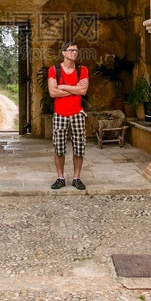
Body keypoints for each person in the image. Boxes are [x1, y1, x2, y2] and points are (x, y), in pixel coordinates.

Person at [48, 41, 89, 190]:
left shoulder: (82, 70)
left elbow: (83, 91)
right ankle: (60, 177)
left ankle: (77, 178)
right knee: (59, 148)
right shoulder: (54, 70)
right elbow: (53, 92)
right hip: (60, 113)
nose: (75, 53)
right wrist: (74, 89)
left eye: (76, 51)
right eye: (71, 50)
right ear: (64, 53)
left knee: (79, 147)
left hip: (77, 113)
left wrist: (63, 87)